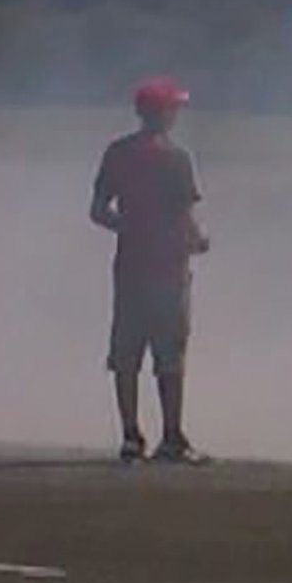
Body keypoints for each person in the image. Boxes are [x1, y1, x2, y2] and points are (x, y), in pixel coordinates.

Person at [91, 77, 211, 464]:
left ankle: (131, 435)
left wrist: (129, 227)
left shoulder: (118, 153)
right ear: (163, 114)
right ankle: (172, 435)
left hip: (130, 266)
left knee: (126, 353)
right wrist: (199, 240)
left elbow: (98, 210)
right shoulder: (176, 159)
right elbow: (185, 215)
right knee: (170, 355)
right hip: (169, 268)